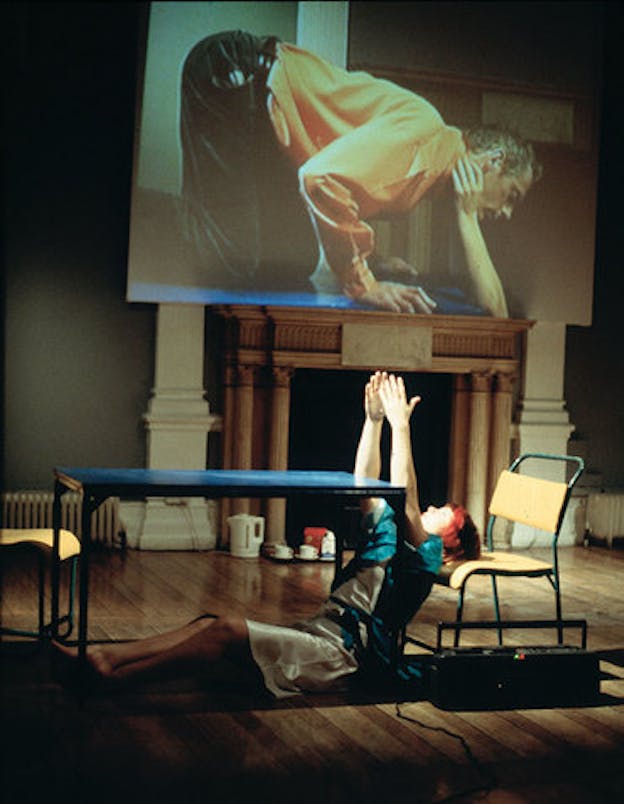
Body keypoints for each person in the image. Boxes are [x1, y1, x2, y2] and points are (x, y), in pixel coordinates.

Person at [54, 373, 479, 697]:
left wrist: (400, 426)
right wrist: (373, 422)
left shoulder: (424, 557)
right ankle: (103, 656)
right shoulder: (388, 534)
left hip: (348, 656)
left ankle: (112, 680)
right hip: (324, 631)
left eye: (444, 513)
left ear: (451, 543)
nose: (432, 507)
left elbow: (404, 496)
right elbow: (365, 483)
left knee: (225, 632)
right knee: (210, 622)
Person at [180, 30, 541, 317]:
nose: (506, 212)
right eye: (512, 195)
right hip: (235, 73)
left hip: (266, 116)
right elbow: (320, 178)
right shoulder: (426, 138)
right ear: (492, 161)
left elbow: (343, 189)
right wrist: (365, 284)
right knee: (232, 263)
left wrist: (373, 260)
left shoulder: (429, 168)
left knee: (294, 262)